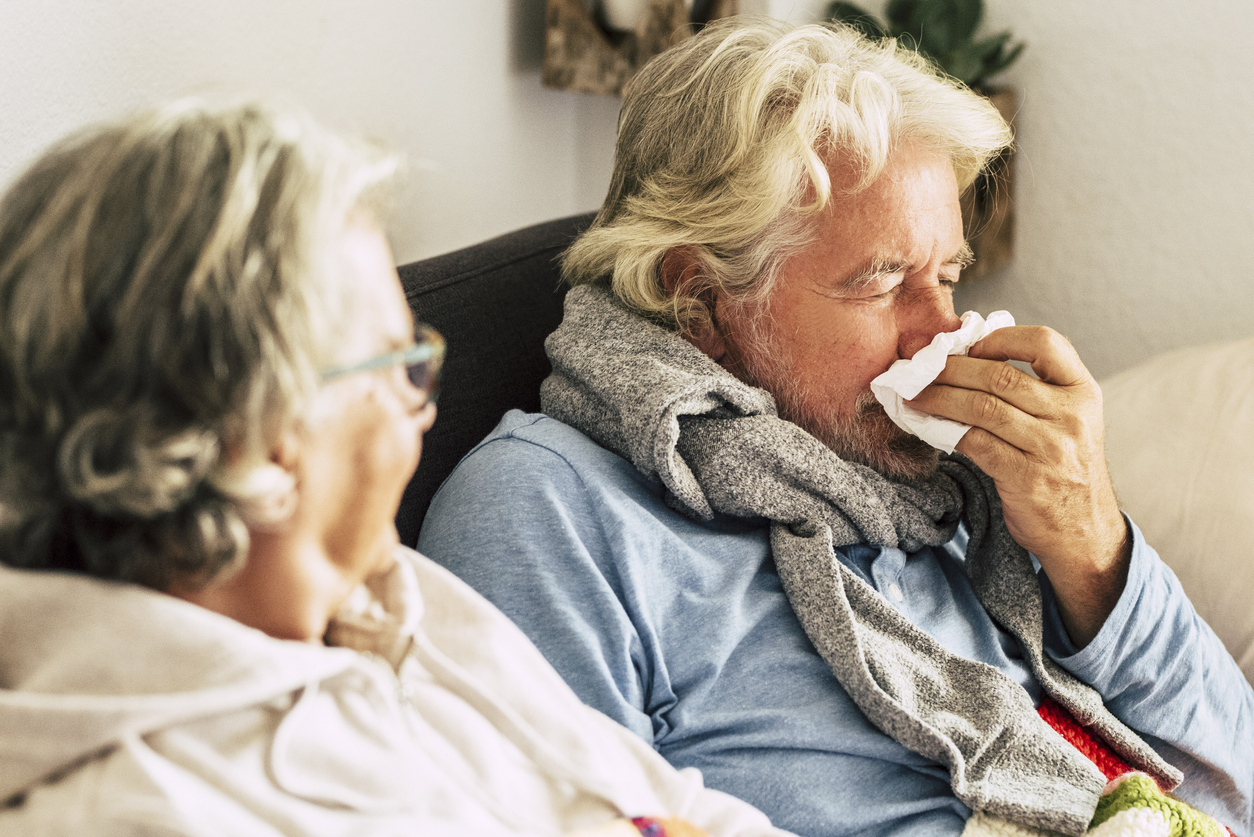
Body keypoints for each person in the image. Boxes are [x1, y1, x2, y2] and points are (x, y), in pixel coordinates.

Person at [417, 18, 1254, 837]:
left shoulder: (960, 490)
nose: (939, 331)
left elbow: (1240, 772)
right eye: (881, 282)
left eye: (949, 276)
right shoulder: (546, 509)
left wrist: (1093, 541)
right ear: (699, 300)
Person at [0, 100, 793, 837]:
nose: (426, 411)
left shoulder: (392, 599)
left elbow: (675, 803)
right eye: (404, 368)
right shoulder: (142, 810)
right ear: (267, 437)